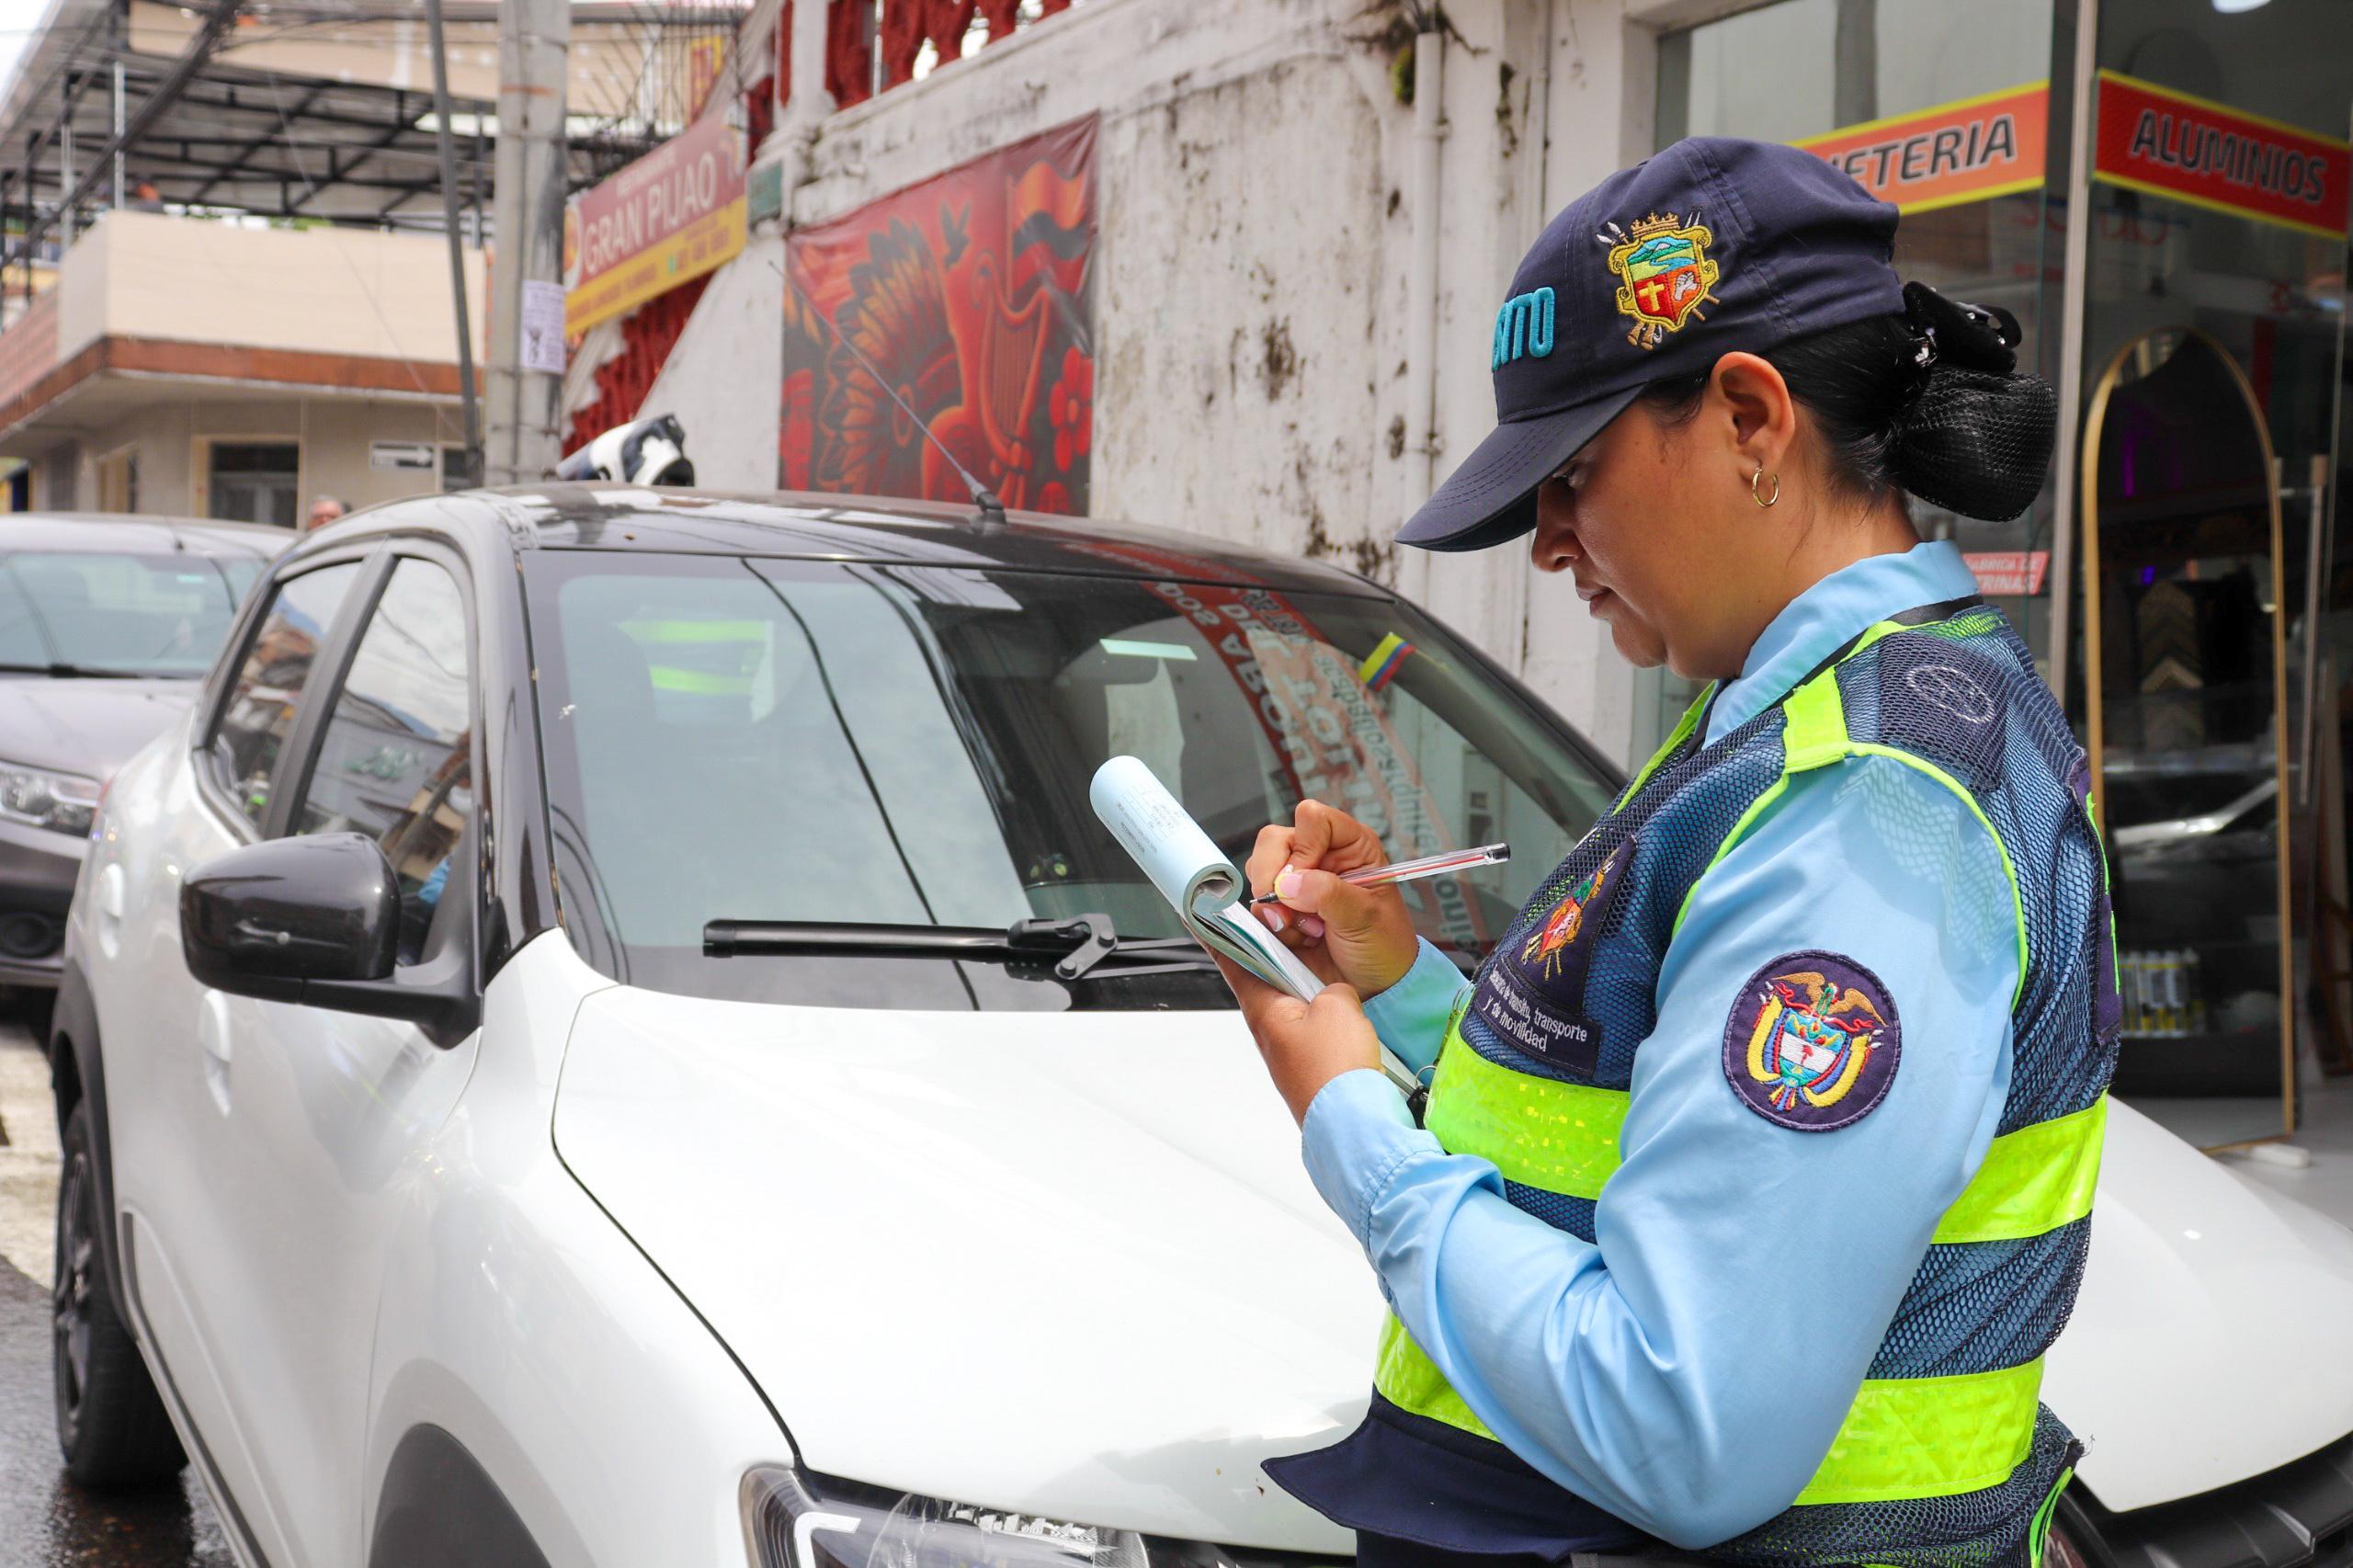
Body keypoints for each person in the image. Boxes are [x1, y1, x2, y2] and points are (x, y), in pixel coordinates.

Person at [1217, 137, 2110, 1567]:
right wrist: (1405, 990)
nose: (1547, 541)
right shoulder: (1797, 717)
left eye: (1572, 474)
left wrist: (1354, 1126)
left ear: (1750, 418)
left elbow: (1684, 1426)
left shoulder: (1862, 802)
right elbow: (1632, 1115)